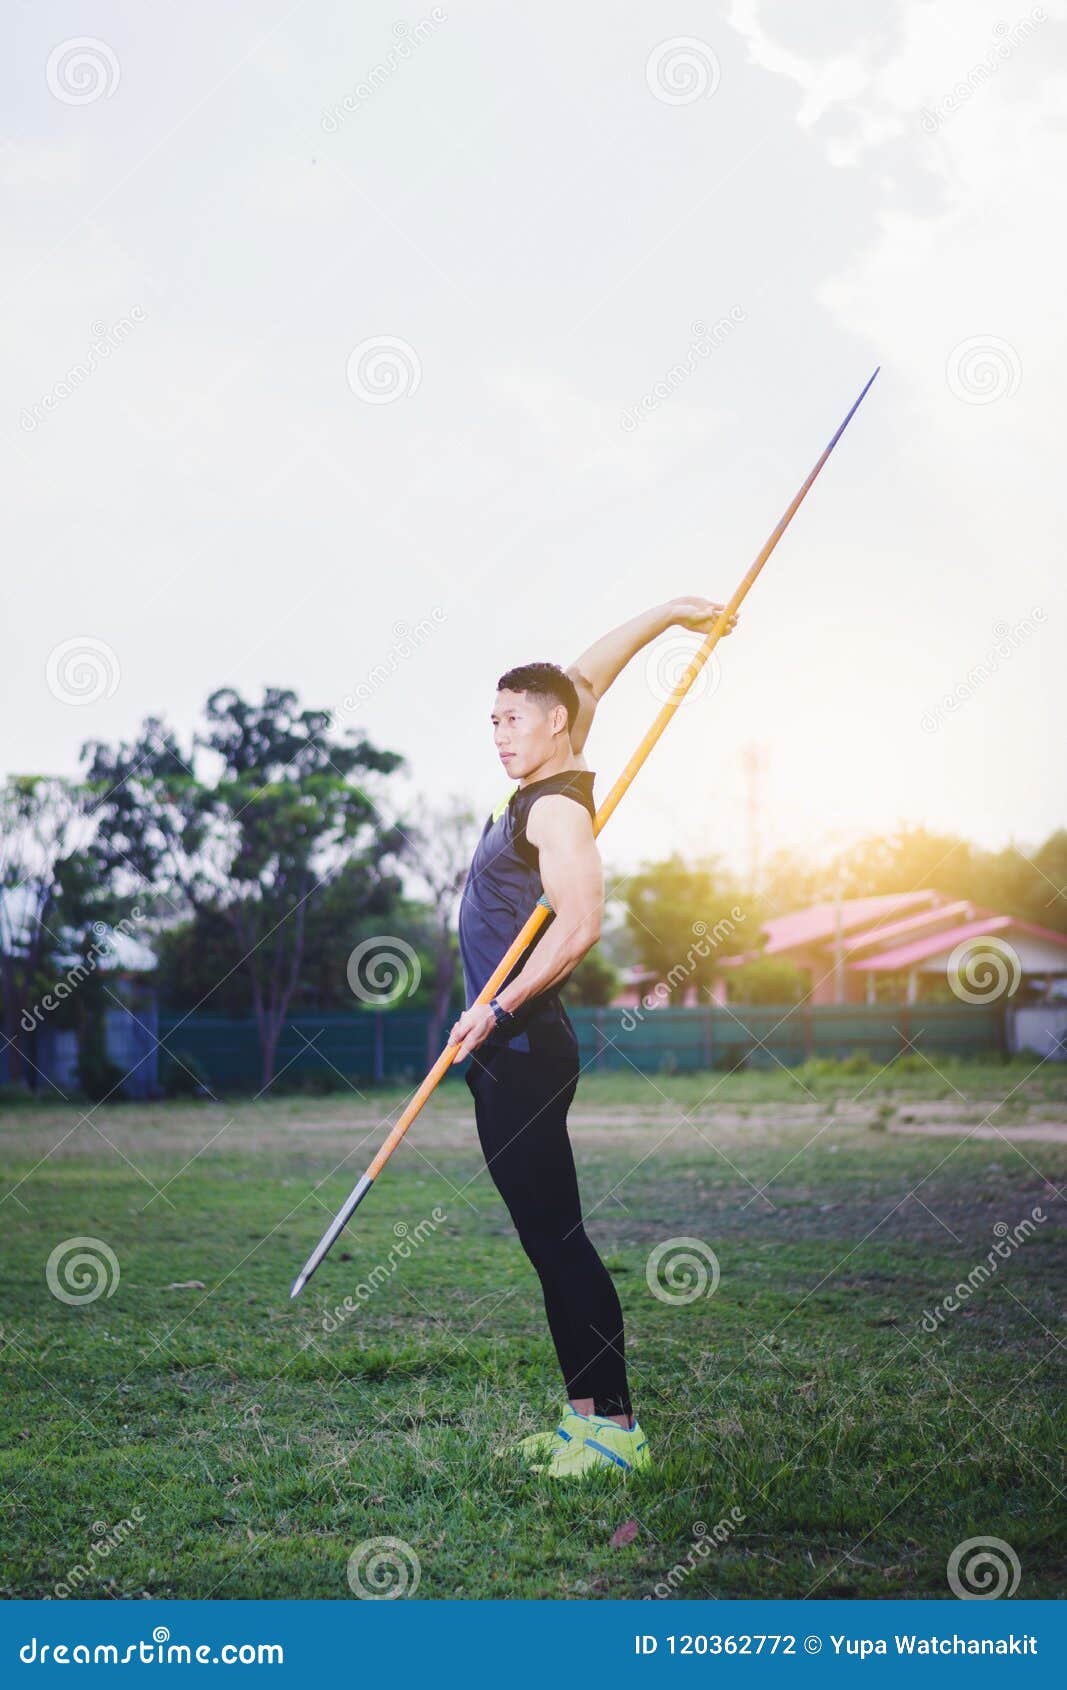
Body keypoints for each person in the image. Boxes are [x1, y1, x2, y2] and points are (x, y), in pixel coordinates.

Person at [447, 594, 737, 1478]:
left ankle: (615, 1430)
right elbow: (583, 675)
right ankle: (582, 1422)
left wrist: (495, 1012)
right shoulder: (539, 780)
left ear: (553, 727)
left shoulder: (556, 812)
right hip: (504, 1051)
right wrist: (671, 613)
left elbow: (578, 927)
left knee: (559, 1238)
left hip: (524, 1050)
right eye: (490, 718)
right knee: (544, 1239)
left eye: (510, 719)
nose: (496, 734)